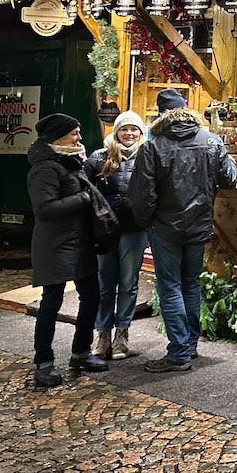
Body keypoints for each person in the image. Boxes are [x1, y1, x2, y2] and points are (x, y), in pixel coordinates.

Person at [127, 88, 237, 372]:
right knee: (190, 284)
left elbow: (142, 194)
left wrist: (146, 220)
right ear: (187, 110)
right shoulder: (211, 141)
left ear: (161, 114)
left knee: (170, 286)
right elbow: (229, 179)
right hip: (199, 226)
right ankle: (189, 346)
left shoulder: (152, 146)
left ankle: (178, 352)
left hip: (165, 228)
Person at [28, 114, 108, 387]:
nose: (80, 138)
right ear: (58, 136)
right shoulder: (45, 168)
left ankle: (81, 353)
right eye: (75, 133)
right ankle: (44, 363)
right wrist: (83, 198)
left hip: (78, 243)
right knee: (51, 302)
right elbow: (44, 209)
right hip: (54, 245)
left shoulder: (71, 160)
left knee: (92, 297)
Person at [85, 111, 148, 360]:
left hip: (135, 229)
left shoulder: (148, 158)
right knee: (104, 284)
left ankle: (122, 334)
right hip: (105, 231)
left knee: (129, 284)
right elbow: (84, 188)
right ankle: (102, 334)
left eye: (134, 129)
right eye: (125, 129)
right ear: (116, 132)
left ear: (141, 133)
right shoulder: (99, 157)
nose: (129, 134)